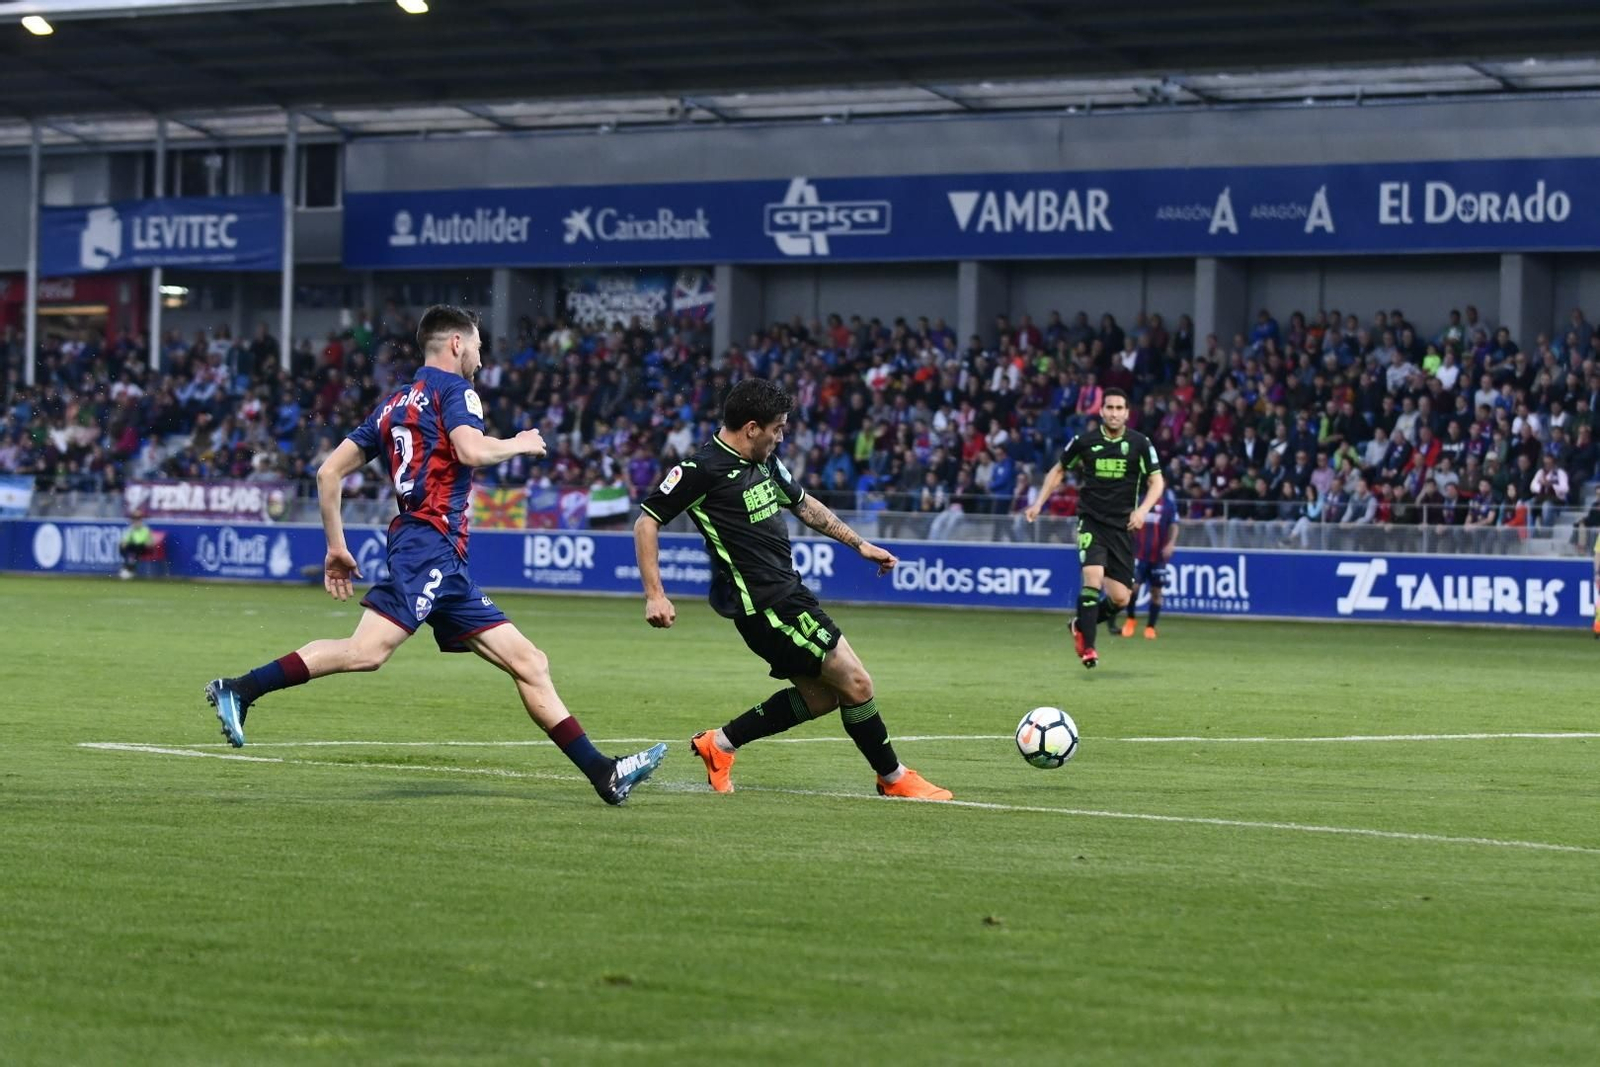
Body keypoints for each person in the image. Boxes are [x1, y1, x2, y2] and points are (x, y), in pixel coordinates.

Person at [203, 305, 665, 806]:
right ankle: (241, 689)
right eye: (479, 348)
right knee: (366, 652)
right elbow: (470, 451)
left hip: (439, 555)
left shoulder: (393, 404)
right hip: (429, 546)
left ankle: (605, 774)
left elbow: (327, 473)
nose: (482, 361)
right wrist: (521, 443)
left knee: (529, 661)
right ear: (457, 345)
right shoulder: (456, 391)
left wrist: (337, 546)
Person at [633, 377, 952, 801]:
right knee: (857, 683)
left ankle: (720, 744)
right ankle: (893, 778)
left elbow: (803, 505)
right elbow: (647, 520)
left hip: (787, 594)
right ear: (751, 427)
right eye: (777, 428)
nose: (781, 436)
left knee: (821, 698)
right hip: (766, 606)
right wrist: (655, 593)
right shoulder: (701, 471)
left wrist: (859, 544)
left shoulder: (765, 462)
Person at [1024, 388, 1166, 669]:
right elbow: (1058, 470)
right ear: (1101, 411)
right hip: (1091, 521)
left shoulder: (1139, 443)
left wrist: (1142, 510)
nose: (1114, 413)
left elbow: (1157, 481)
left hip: (1122, 527)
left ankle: (1079, 624)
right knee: (1093, 576)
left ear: (1127, 413)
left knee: (1121, 598)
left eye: (1119, 408)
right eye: (1109, 408)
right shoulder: (1084, 442)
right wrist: (1039, 502)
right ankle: (1089, 647)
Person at [1116, 482, 1180, 639]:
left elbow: (1174, 525)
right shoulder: (1140, 501)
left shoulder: (1168, 504)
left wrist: (1171, 544)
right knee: (1133, 589)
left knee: (1156, 592)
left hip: (1158, 556)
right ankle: (1130, 620)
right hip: (1139, 554)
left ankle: (1150, 627)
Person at [118, 510, 157, 580]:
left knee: (136, 548)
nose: (136, 522)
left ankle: (129, 568)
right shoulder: (131, 530)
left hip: (144, 549)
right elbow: (125, 540)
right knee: (124, 548)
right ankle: (129, 567)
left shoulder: (145, 530)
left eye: (138, 520)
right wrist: (123, 544)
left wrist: (149, 543)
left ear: (141, 521)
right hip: (133, 548)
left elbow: (149, 542)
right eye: (134, 520)